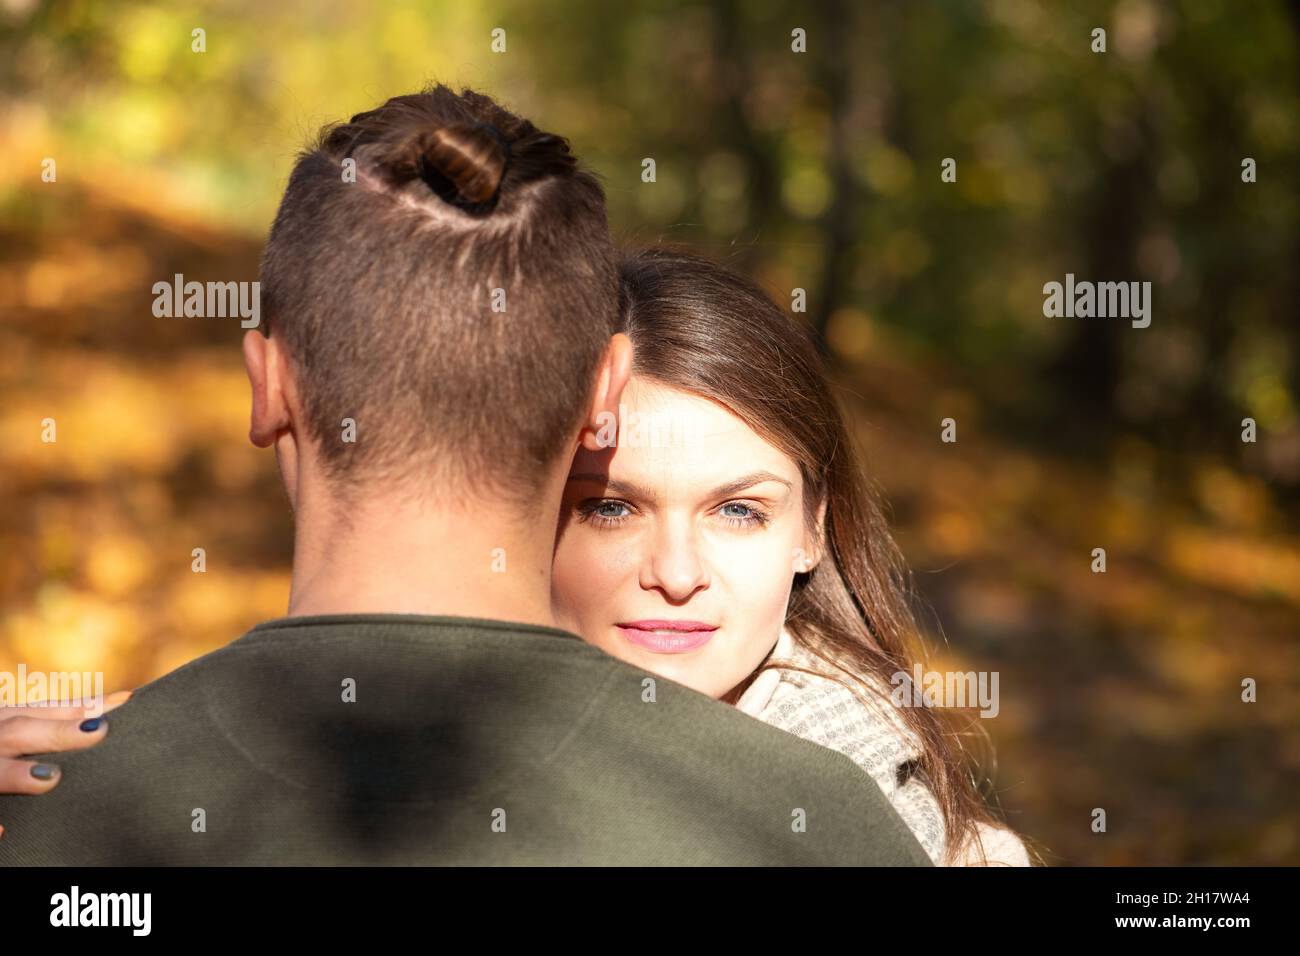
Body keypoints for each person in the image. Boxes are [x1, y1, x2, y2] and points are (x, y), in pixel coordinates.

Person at [0, 85, 931, 866]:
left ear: (268, 383)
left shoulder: (61, 806)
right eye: (614, 508)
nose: (678, 575)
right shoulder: (814, 826)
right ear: (605, 392)